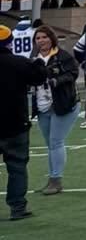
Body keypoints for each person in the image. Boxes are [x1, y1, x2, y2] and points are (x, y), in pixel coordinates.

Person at [0, 23, 50, 220]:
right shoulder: (18, 63)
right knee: (17, 167)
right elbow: (39, 77)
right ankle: (18, 207)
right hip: (15, 125)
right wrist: (37, 60)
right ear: (8, 43)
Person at [30, 24, 81, 193]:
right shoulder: (34, 57)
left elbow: (73, 73)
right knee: (50, 144)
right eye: (38, 38)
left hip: (64, 104)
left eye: (44, 37)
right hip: (42, 106)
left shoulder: (62, 56)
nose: (41, 40)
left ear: (52, 38)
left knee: (56, 142)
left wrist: (56, 80)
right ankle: (52, 179)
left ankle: (56, 180)